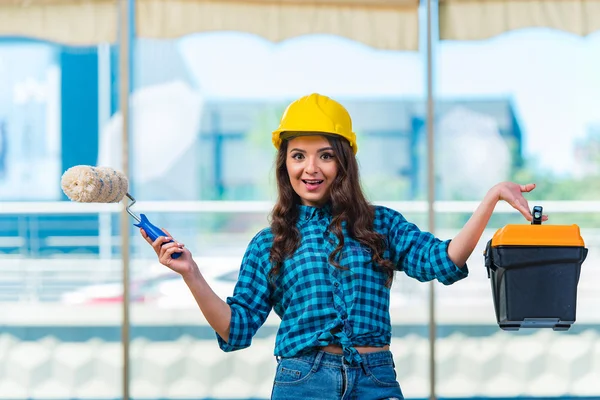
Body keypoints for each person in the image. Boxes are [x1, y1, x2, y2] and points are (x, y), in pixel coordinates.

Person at [140, 93, 545, 400]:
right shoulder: (270, 242)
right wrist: (190, 273)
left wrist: (490, 200)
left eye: (325, 156)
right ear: (286, 165)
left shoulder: (381, 224)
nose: (310, 168)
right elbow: (237, 328)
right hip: (303, 380)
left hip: (376, 377)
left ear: (344, 163)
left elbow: (443, 259)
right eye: (298, 155)